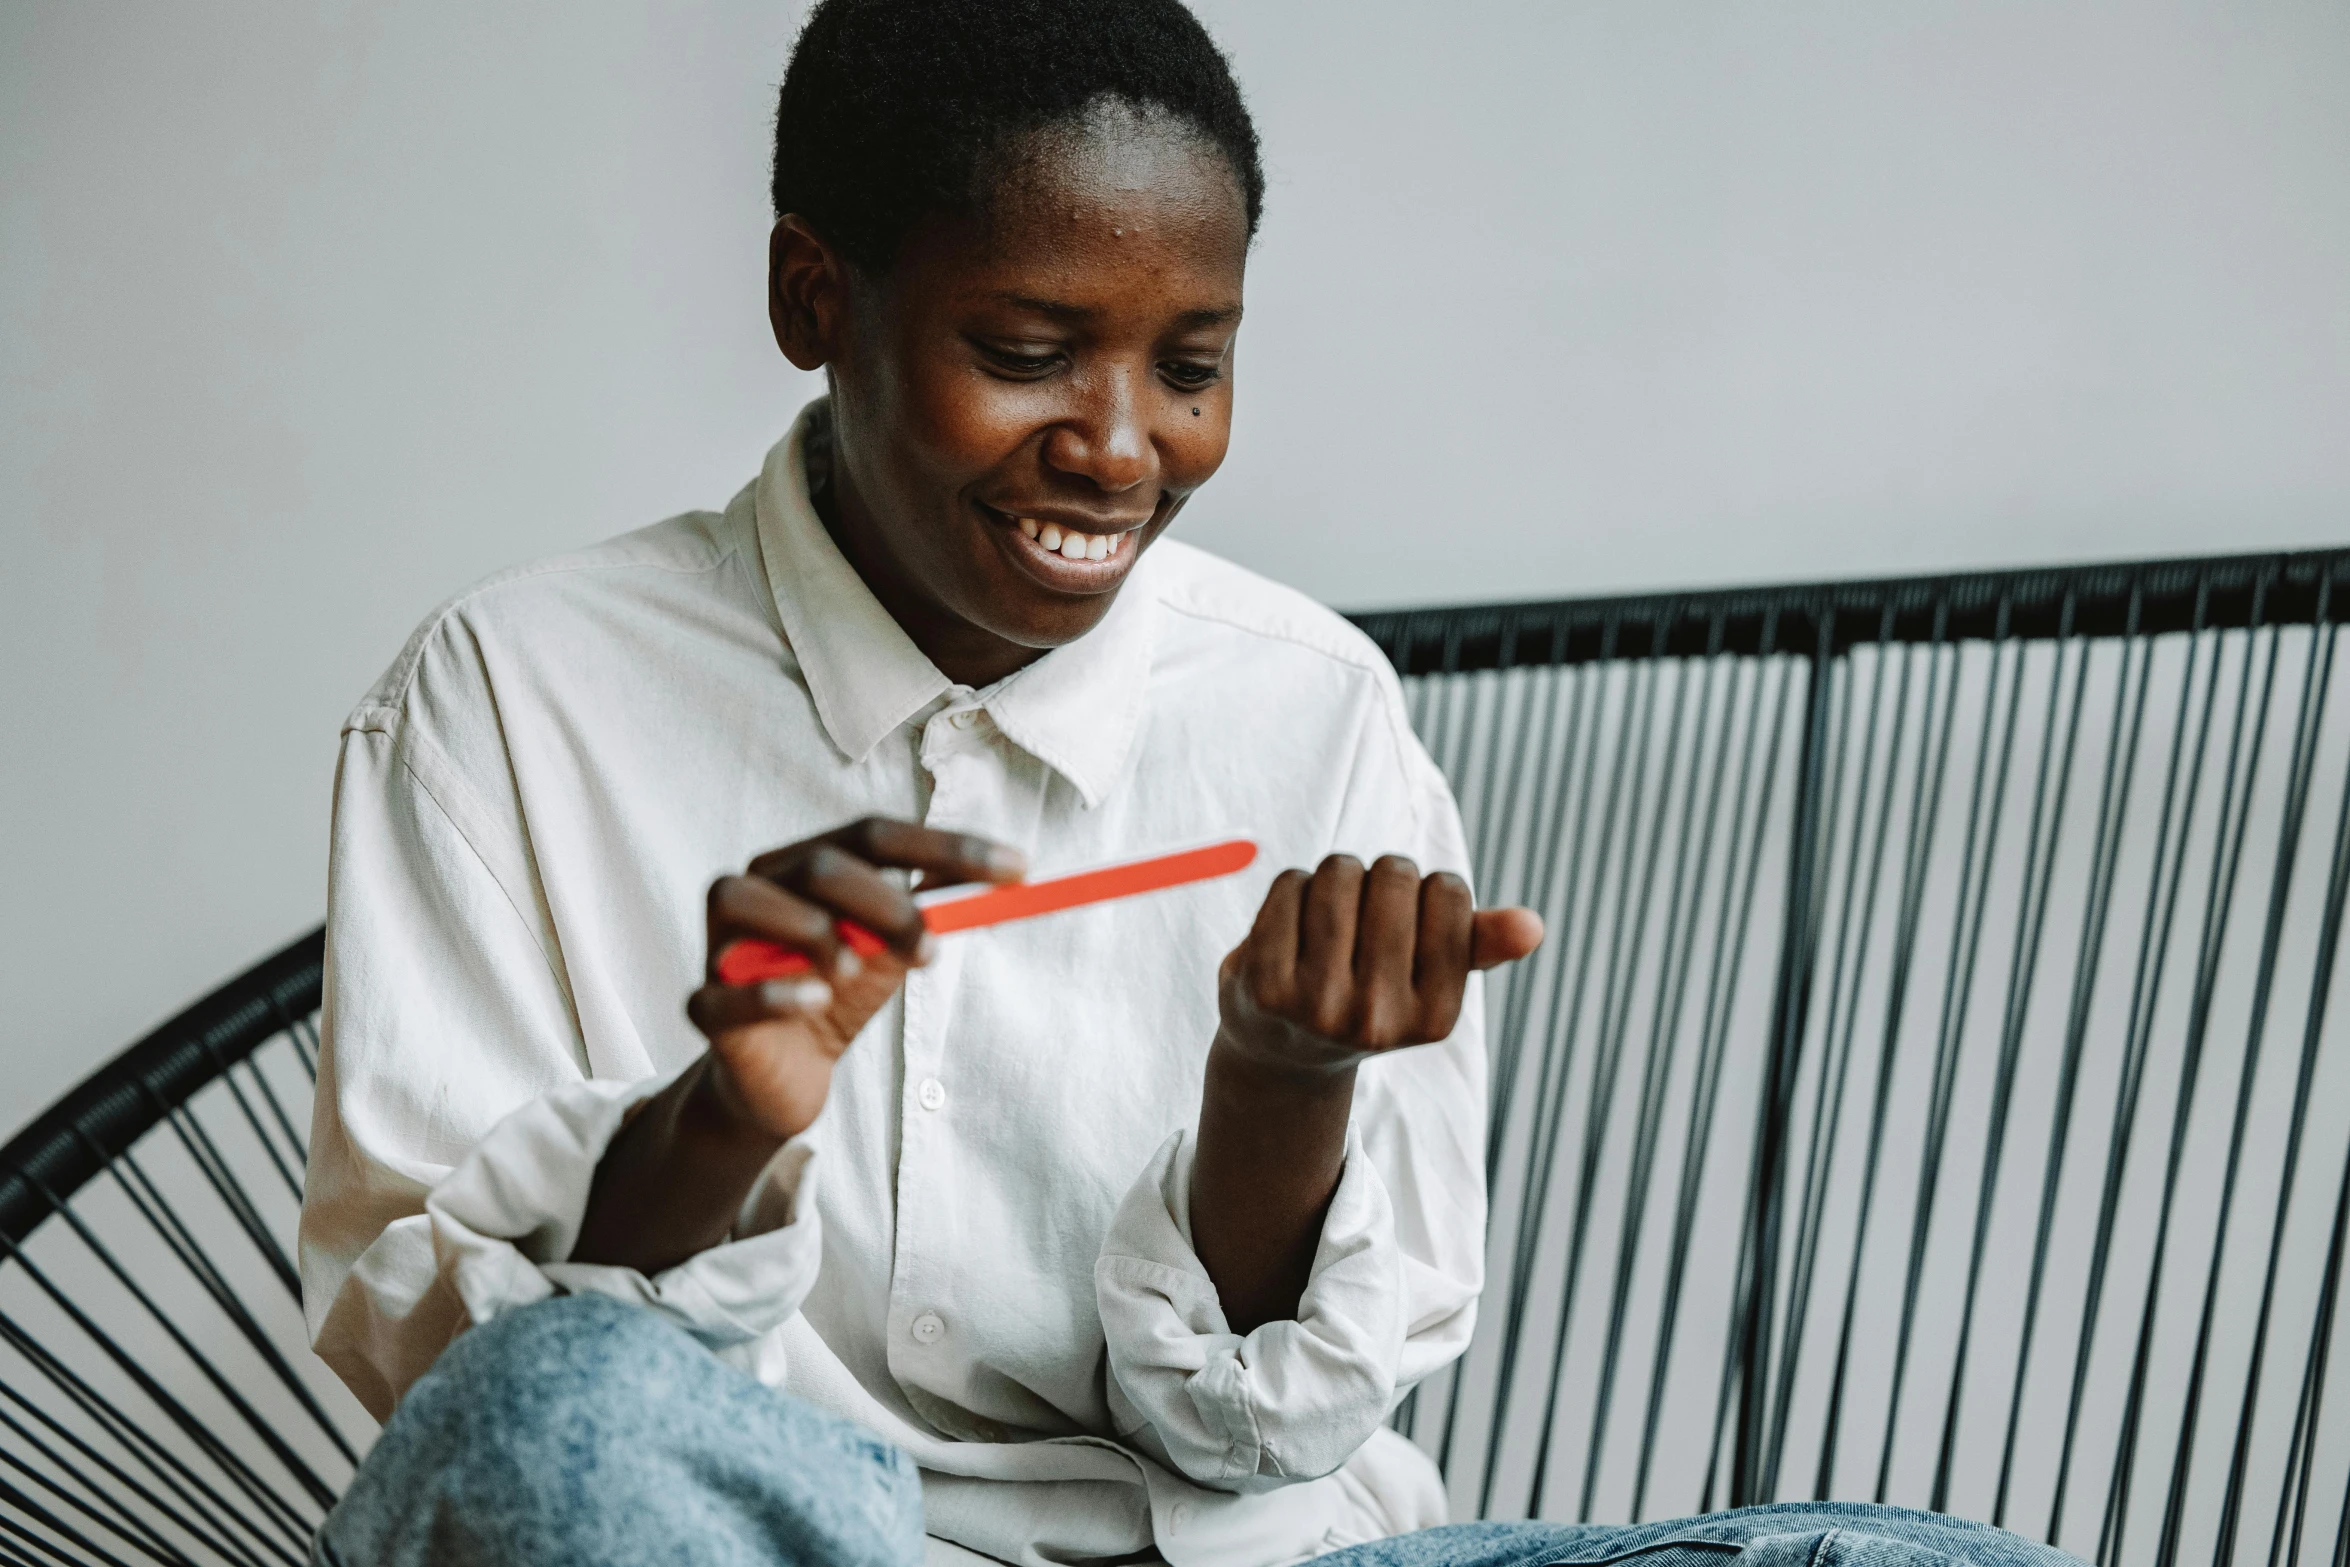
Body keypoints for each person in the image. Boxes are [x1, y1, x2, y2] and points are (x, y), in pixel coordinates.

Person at [299, 3, 2081, 1564]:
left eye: (1193, 363)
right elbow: (455, 1414)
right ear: (812, 294)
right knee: (548, 1424)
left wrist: (1282, 1084)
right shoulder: (511, 697)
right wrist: (721, 1121)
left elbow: (1270, 1442)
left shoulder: (1310, 714)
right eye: (1024, 352)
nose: (1124, 443)